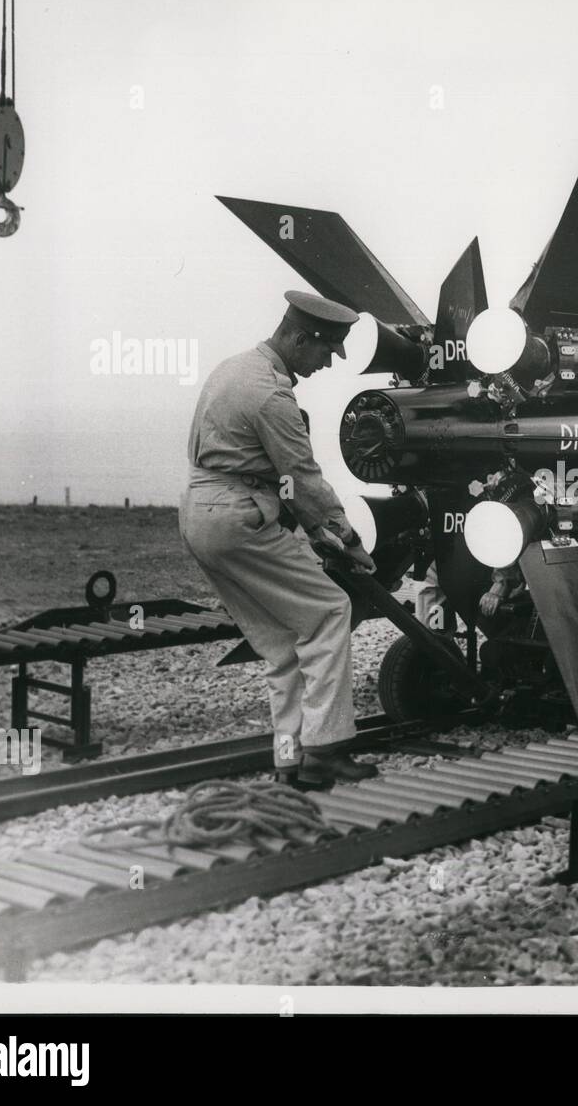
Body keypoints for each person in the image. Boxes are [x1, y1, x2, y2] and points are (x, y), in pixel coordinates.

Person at [180, 290, 378, 789]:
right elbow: (303, 479)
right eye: (327, 349)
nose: (328, 362)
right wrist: (349, 540)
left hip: (202, 514)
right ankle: (326, 753)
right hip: (237, 519)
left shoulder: (233, 368)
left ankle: (289, 759)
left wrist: (315, 531)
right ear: (299, 336)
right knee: (331, 611)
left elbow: (274, 477)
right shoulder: (271, 394)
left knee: (284, 643)